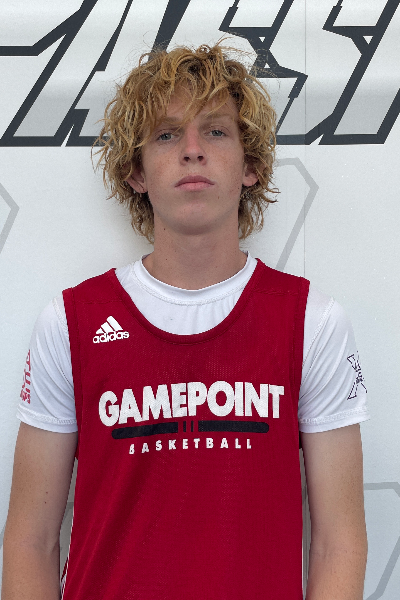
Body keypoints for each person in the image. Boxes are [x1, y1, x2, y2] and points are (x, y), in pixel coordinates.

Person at [3, 42, 369, 600]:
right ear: (136, 172)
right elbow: (30, 540)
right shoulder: (71, 322)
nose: (193, 151)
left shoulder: (311, 321)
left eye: (216, 131)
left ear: (251, 166)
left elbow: (339, 542)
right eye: (167, 134)